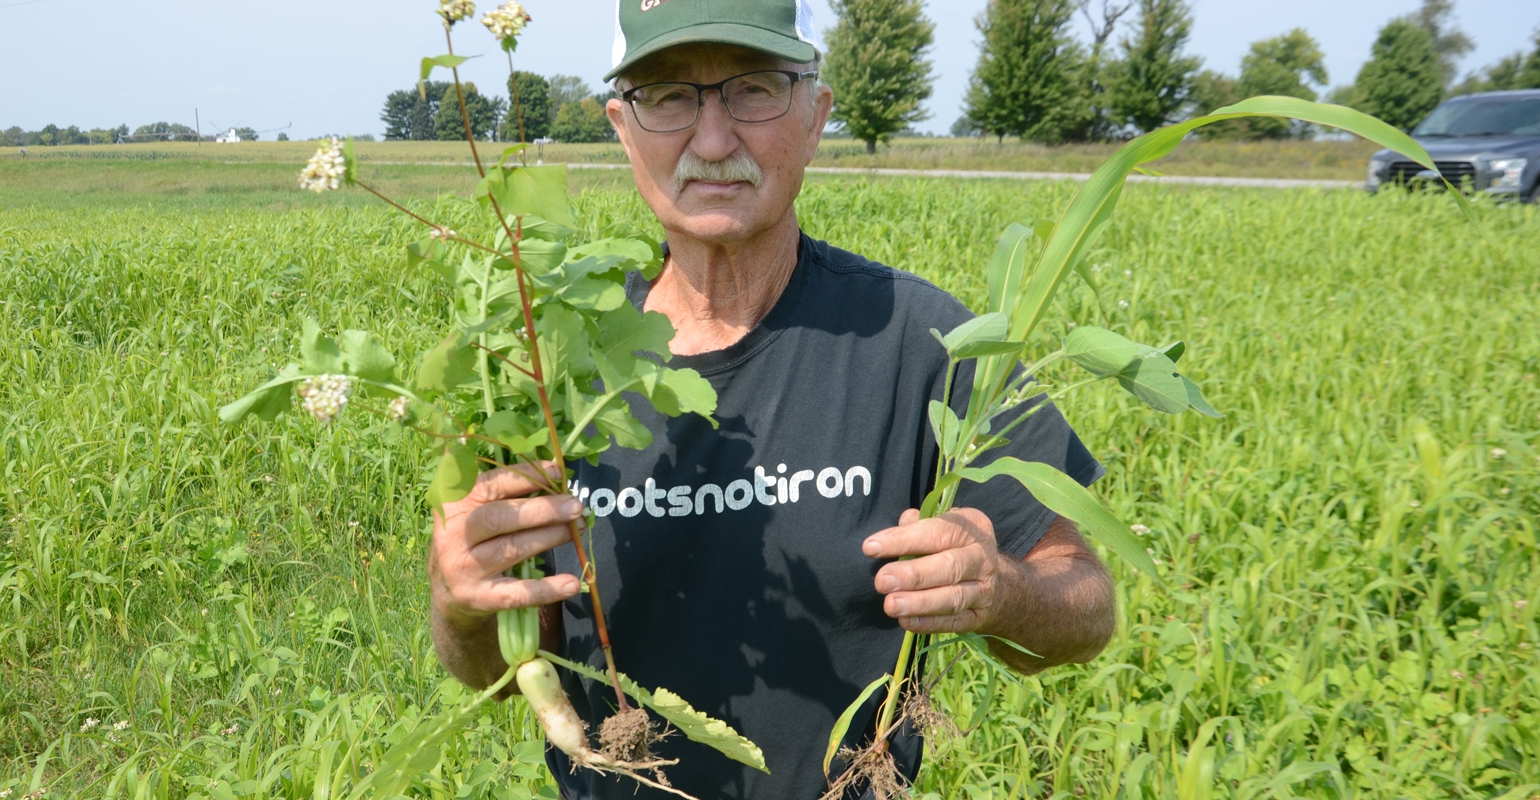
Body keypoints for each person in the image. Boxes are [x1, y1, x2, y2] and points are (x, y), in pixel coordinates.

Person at [429, 1, 1115, 797]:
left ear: (815, 113)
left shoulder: (925, 342)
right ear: (622, 124)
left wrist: (1003, 589)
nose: (713, 142)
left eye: (754, 89)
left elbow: (1086, 605)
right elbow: (496, 662)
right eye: (669, 96)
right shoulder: (544, 363)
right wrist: (461, 606)